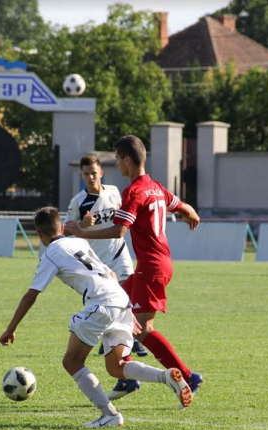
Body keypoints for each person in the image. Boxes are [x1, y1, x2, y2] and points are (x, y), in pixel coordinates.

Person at [0, 207, 193, 428]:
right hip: (120, 298)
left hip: (102, 303)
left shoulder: (50, 253)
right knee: (116, 367)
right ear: (61, 227)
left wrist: (10, 328)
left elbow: (31, 294)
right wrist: (125, 308)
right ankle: (166, 376)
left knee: (72, 361)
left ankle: (109, 414)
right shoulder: (79, 242)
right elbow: (110, 273)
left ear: (39, 233)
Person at [65, 135, 203, 401]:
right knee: (114, 303)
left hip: (151, 266)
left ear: (128, 160)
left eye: (117, 159)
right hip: (155, 264)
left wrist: (81, 234)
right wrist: (191, 215)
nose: (117, 164)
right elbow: (182, 207)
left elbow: (119, 230)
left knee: (143, 327)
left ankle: (187, 377)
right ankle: (126, 375)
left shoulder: (134, 191)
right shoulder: (155, 186)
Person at [64, 155, 148, 358]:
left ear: (101, 173)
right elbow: (66, 230)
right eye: (86, 174)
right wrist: (82, 226)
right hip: (97, 262)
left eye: (94, 173)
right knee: (108, 302)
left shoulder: (113, 192)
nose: (91, 177)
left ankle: (133, 340)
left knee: (128, 296)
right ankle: (109, 340)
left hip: (119, 253)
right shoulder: (79, 201)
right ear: (82, 175)